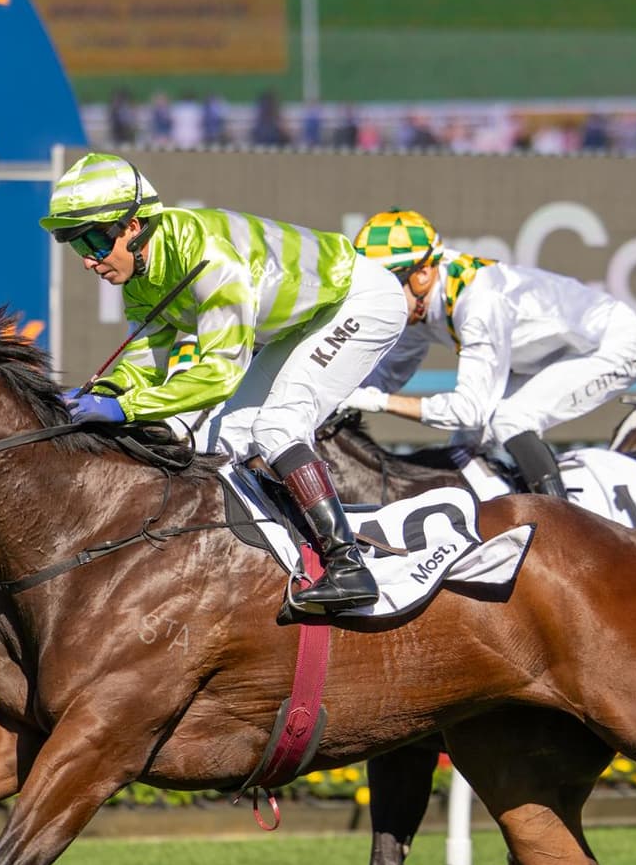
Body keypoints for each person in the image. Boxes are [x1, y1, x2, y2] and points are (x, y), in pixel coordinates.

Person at [38, 152, 408, 618]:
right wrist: (106, 392)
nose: (88, 260)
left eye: (93, 240)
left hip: (359, 301)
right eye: (77, 246)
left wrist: (127, 411)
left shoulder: (208, 257)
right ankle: (279, 555)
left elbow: (219, 373)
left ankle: (348, 566)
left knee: (277, 427)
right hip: (299, 321)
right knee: (223, 438)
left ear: (132, 227)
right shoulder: (140, 274)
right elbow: (147, 355)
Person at [341, 208, 636, 498]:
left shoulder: (479, 303)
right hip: (548, 355)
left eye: (385, 285)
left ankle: (563, 525)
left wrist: (376, 402)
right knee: (464, 445)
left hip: (615, 344)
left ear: (422, 275)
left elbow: (469, 410)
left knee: (510, 419)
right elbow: (385, 376)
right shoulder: (417, 298)